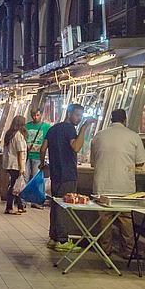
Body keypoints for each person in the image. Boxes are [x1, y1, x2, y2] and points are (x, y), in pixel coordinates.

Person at [90, 109, 145, 258]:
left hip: (102, 186)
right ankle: (128, 251)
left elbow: (93, 163)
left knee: (105, 220)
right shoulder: (133, 136)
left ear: (111, 120)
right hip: (124, 186)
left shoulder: (98, 136)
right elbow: (141, 162)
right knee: (125, 219)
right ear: (125, 120)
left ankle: (105, 250)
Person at [41, 104, 95, 251]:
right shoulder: (70, 129)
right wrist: (84, 128)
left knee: (55, 205)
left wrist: (42, 164)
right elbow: (76, 147)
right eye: (77, 115)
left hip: (56, 173)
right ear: (69, 113)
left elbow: (43, 148)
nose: (79, 119)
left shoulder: (53, 129)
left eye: (81, 116)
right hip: (68, 174)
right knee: (64, 207)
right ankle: (63, 241)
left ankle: (53, 237)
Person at [24, 109, 51, 208]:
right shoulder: (27, 126)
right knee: (25, 178)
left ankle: (35, 201)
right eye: (34, 115)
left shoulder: (47, 127)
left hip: (38, 157)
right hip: (27, 156)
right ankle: (23, 200)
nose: (35, 117)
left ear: (41, 115)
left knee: (36, 179)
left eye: (38, 115)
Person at [1, 115, 28, 214]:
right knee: (14, 186)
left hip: (10, 164)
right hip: (16, 164)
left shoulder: (9, 134)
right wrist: (22, 167)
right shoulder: (18, 135)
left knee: (17, 185)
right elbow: (20, 152)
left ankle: (20, 206)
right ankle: (9, 207)